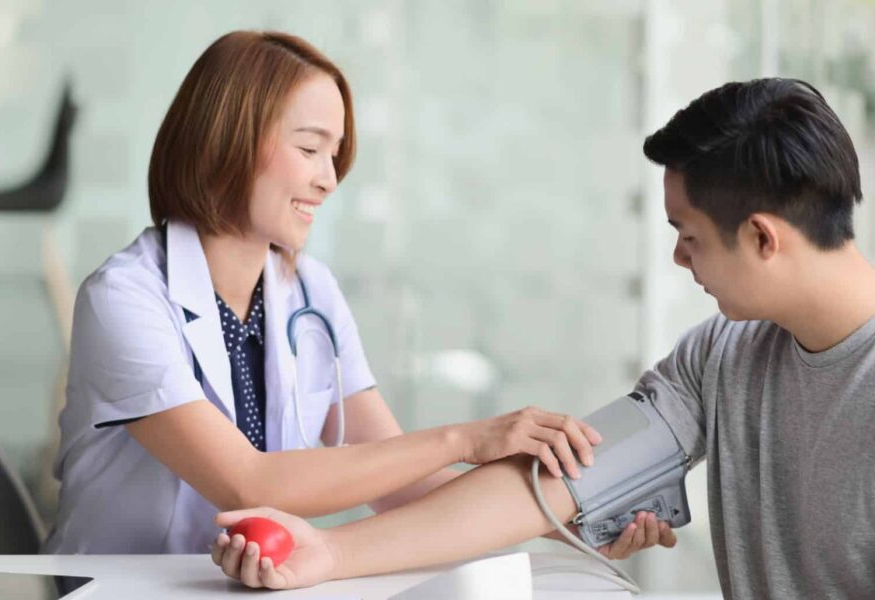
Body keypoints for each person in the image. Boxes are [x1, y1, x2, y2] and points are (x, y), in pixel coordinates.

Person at [211, 78, 875, 599]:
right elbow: (553, 484)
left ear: (762, 238)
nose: (679, 259)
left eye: (689, 236)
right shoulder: (721, 357)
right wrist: (329, 552)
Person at [42, 30, 673, 555]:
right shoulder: (125, 298)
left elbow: (404, 488)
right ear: (226, 141)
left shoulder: (309, 292)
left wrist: (574, 525)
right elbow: (248, 482)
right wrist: (469, 439)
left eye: (335, 154)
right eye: (310, 148)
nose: (328, 179)